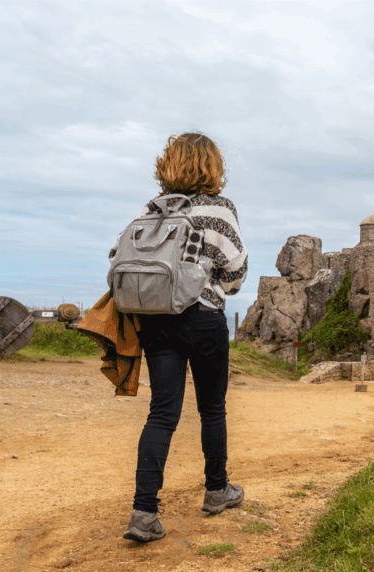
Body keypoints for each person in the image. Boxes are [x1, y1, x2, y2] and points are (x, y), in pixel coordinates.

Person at [120, 132, 248, 543]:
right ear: (213, 166)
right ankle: (216, 490)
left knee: (161, 413)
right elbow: (236, 272)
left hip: (156, 320)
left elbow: (119, 256)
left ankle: (143, 513)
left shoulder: (152, 209)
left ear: (168, 164)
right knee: (212, 408)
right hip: (203, 317)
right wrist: (214, 286)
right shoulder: (220, 209)